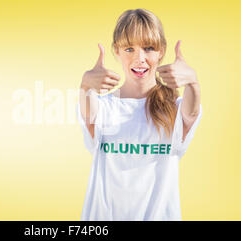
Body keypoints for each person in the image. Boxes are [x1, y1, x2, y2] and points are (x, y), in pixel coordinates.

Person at [77, 8, 203, 221]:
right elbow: (88, 111)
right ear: (116, 51)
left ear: (161, 51)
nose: (140, 58)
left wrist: (193, 82)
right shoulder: (103, 107)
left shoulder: (174, 108)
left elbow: (191, 112)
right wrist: (85, 85)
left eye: (149, 48)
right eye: (129, 49)